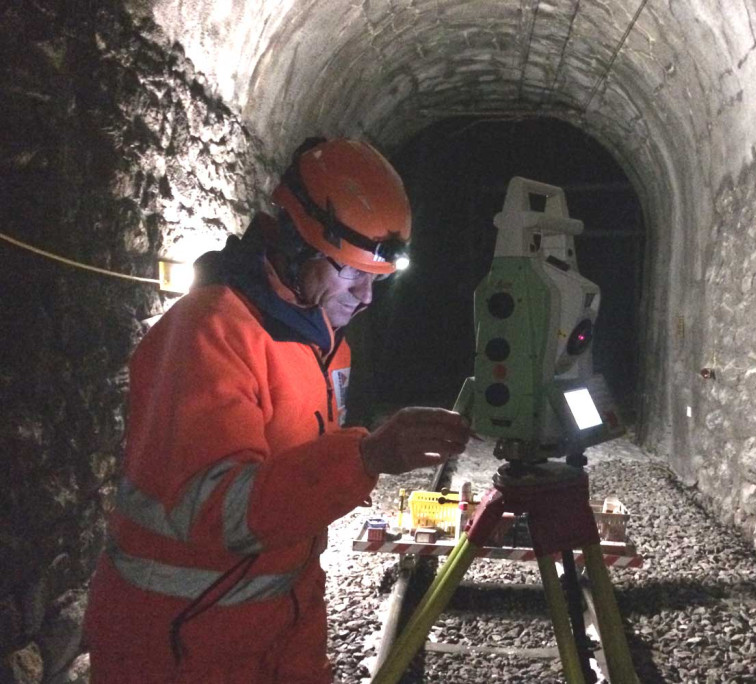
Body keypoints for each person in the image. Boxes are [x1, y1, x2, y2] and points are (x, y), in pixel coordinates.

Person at [83, 137, 471, 682]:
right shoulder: (209, 332)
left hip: (276, 630)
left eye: (376, 281)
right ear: (297, 246)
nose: (364, 298)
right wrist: (363, 458)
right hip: (181, 643)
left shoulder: (322, 341)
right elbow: (223, 512)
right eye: (350, 273)